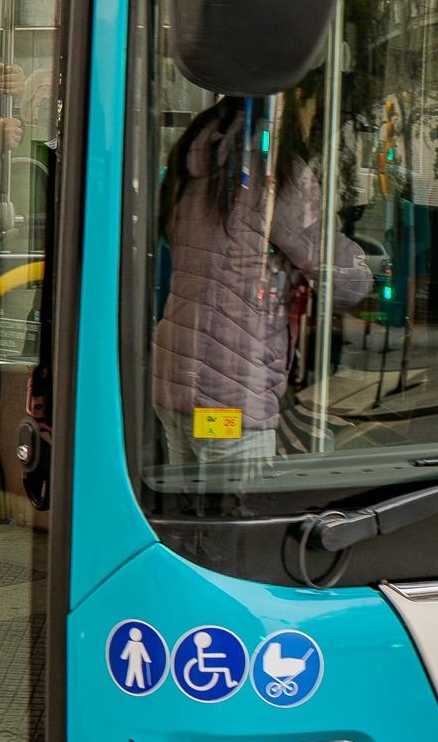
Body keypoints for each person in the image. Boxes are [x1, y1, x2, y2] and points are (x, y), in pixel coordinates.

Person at [151, 86, 371, 488]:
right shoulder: (274, 172)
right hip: (229, 401)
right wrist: (364, 267)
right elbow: (343, 283)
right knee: (238, 515)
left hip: (173, 383)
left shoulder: (189, 158)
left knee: (188, 512)